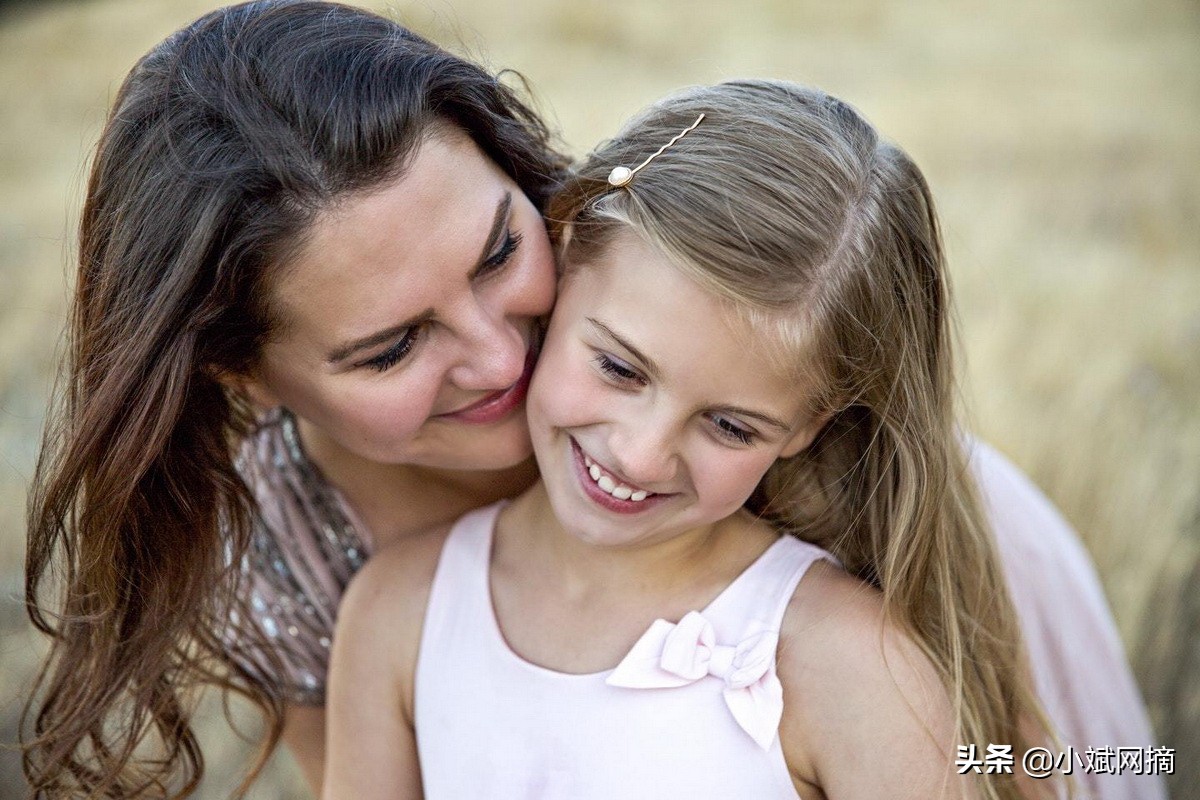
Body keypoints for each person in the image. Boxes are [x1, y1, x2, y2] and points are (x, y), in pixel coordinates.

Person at [324, 80, 1068, 800]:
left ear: (809, 425)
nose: (641, 455)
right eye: (619, 368)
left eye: (731, 425)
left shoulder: (849, 665)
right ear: (566, 254)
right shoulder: (400, 613)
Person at [21, 1, 566, 796]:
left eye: (500, 252)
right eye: (393, 347)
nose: (498, 357)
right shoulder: (282, 562)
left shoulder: (693, 294)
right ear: (241, 374)